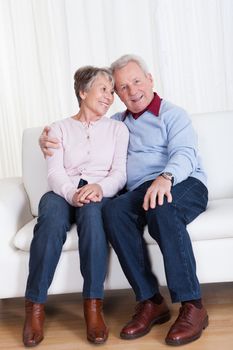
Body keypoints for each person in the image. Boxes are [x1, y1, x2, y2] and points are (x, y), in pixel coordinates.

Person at [39, 54, 209, 346]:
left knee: (162, 209)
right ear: (117, 95)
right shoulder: (117, 123)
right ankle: (150, 300)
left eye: (136, 82)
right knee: (114, 210)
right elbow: (86, 127)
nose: (132, 91)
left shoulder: (172, 114)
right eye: (122, 88)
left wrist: (165, 177)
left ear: (150, 79)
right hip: (140, 191)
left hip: (182, 182)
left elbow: (185, 154)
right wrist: (46, 139)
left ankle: (193, 305)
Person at [23, 66, 129, 347]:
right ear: (83, 92)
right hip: (61, 192)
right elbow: (54, 173)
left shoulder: (118, 129)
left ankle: (93, 308)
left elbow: (119, 173)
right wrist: (72, 193)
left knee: (94, 219)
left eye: (111, 91)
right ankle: (34, 308)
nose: (109, 97)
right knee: (50, 223)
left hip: (97, 192)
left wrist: (99, 188)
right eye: (103, 89)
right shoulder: (57, 128)